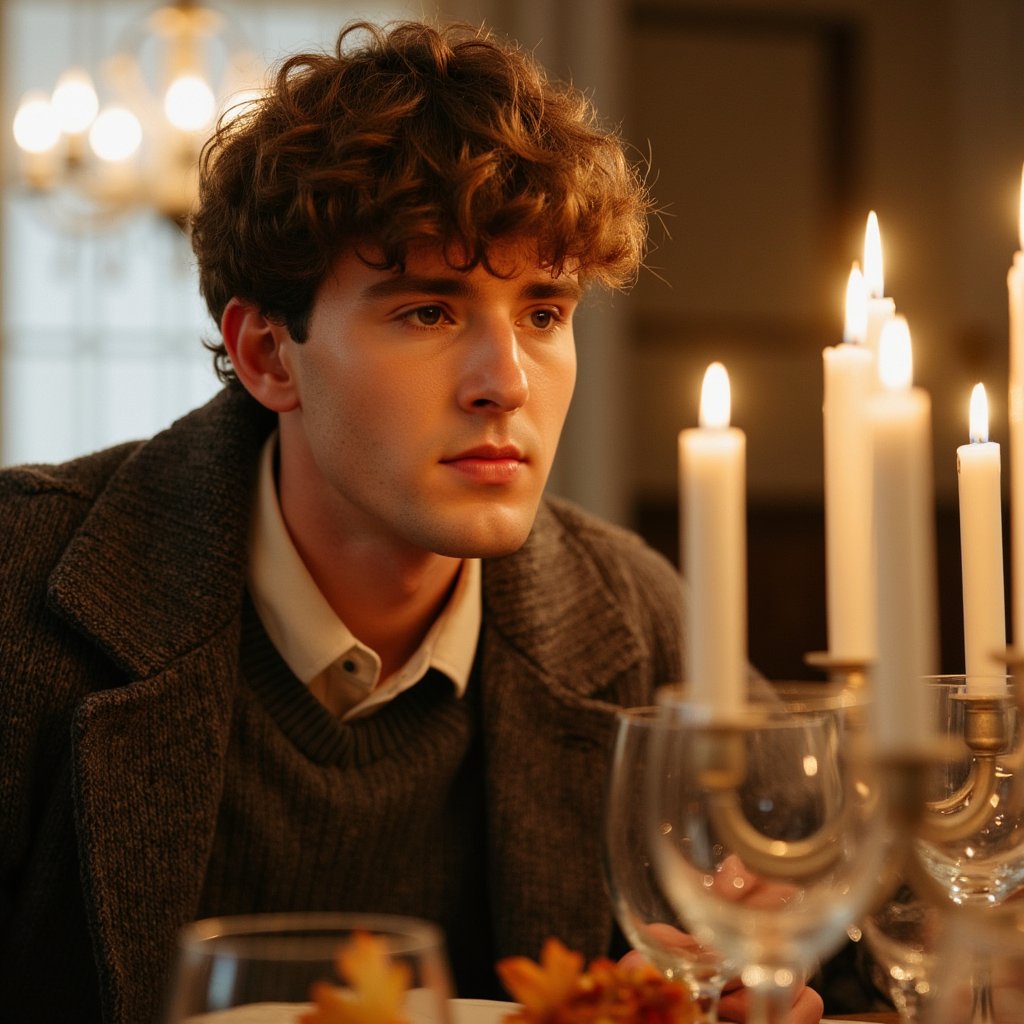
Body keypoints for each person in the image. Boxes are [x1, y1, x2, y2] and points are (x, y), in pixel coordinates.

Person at [0, 19, 825, 1024]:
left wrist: (781, 954)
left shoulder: (633, 614)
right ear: (267, 355)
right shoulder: (24, 584)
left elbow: (832, 907)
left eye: (544, 313)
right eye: (429, 312)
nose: (505, 383)